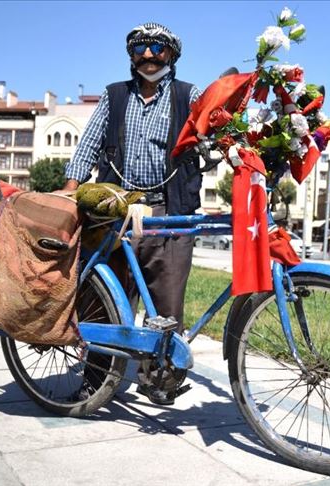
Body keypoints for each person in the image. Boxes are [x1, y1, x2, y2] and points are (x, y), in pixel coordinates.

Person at [63, 22, 201, 405]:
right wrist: (71, 187)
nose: (148, 56)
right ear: (130, 56)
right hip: (117, 211)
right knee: (104, 298)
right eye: (140, 48)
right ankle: (96, 376)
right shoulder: (115, 96)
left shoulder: (188, 95)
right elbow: (89, 142)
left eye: (158, 48)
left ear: (171, 55)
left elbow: (217, 124)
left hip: (168, 212)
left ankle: (160, 379)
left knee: (167, 301)